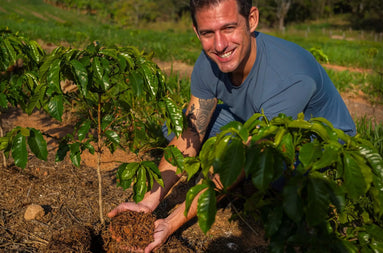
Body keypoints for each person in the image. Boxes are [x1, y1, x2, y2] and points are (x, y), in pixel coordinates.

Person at [108, 0, 356, 252]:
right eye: (208, 33)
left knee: (251, 171)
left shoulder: (290, 77)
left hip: (318, 150)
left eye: (228, 28)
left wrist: (170, 223)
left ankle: (257, 188)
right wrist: (147, 204)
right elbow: (192, 132)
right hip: (255, 125)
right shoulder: (209, 61)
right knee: (179, 125)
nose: (219, 45)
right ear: (196, 31)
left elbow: (237, 164)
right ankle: (243, 181)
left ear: (252, 20)